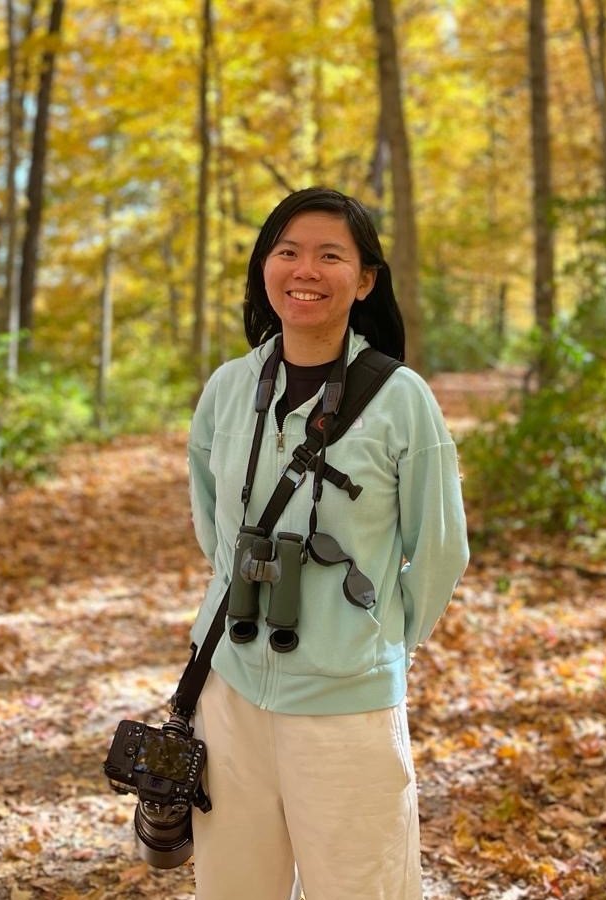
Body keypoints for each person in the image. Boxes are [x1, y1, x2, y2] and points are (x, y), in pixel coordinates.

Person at [186, 187, 470, 900]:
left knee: (361, 887)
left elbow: (440, 549)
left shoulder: (402, 399)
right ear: (264, 267)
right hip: (230, 687)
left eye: (329, 256)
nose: (304, 270)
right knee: (233, 889)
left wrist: (377, 639)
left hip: (348, 701)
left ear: (365, 279)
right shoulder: (229, 388)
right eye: (287, 252)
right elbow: (214, 527)